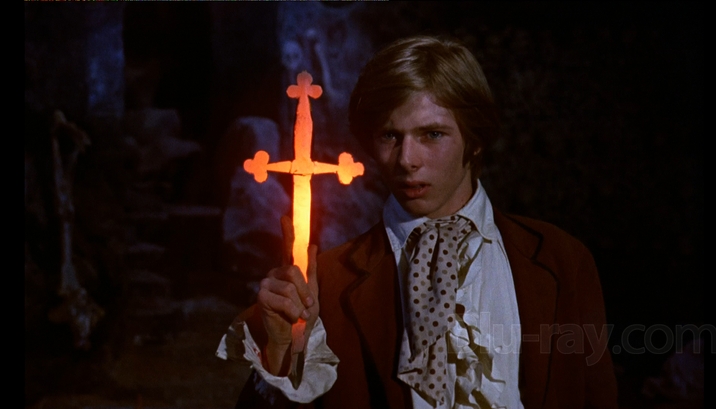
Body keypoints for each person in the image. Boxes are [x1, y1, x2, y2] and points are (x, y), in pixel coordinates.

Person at [216, 35, 619, 409]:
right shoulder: (329, 284)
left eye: (432, 134)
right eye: (390, 136)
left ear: (474, 139)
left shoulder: (560, 260)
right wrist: (282, 353)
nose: (407, 160)